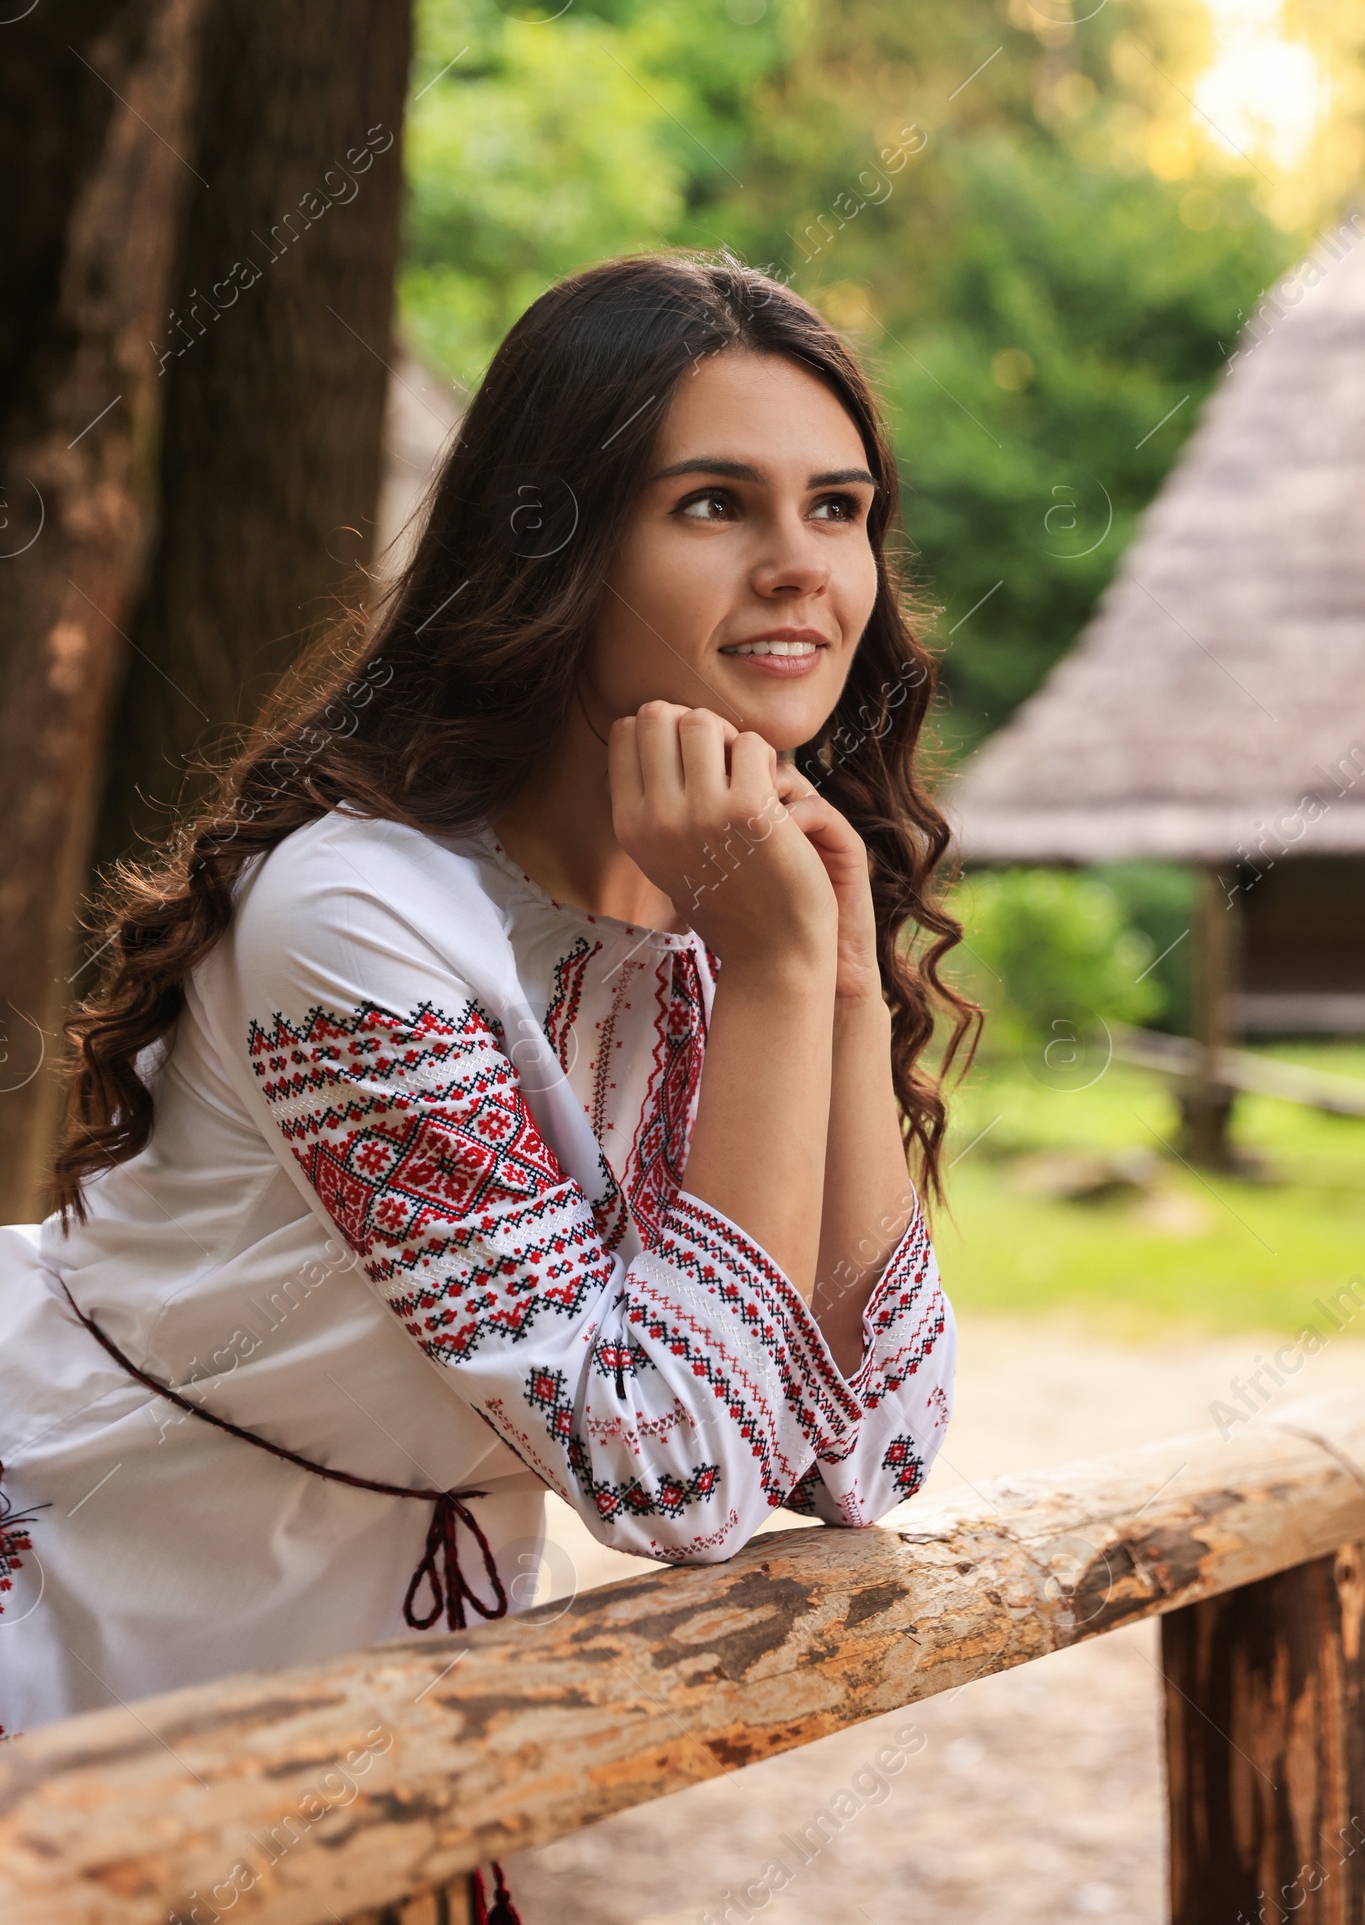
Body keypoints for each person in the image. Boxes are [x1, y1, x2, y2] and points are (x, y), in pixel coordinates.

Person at [0, 254, 975, 1754]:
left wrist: (836, 974)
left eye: (838, 508)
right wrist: (788, 977)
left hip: (392, 1692)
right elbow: (679, 1482)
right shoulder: (358, 917)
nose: (804, 566)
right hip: (90, 1624)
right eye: (715, 503)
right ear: (555, 548)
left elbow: (867, 1454)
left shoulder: (734, 897)